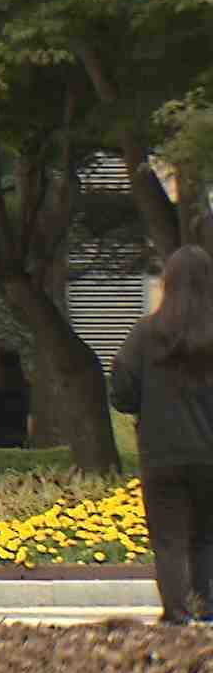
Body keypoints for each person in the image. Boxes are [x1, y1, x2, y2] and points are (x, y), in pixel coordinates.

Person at [112, 244, 213, 626]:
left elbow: (121, 389)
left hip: (161, 454)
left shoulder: (146, 333)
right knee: (207, 537)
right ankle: (208, 610)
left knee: (169, 539)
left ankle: (176, 615)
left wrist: (144, 405)